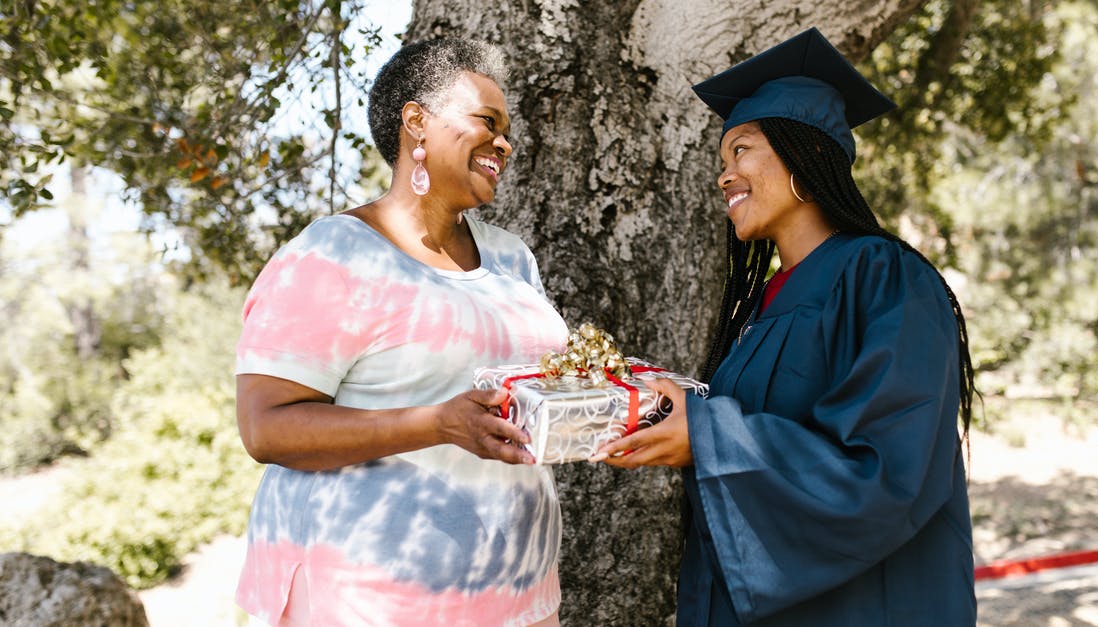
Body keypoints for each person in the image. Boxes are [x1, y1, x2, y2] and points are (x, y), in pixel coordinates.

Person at [593, 28, 978, 625]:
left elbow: (885, 471)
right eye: (722, 160)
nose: (725, 175)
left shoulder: (885, 279)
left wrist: (708, 437)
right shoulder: (763, 307)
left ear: (806, 155)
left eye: (741, 150)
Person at [233, 38, 567, 626]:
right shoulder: (332, 255)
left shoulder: (512, 259)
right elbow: (266, 426)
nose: (504, 143)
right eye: (486, 121)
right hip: (369, 599)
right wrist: (437, 424)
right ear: (417, 121)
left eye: (507, 129)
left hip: (517, 594)